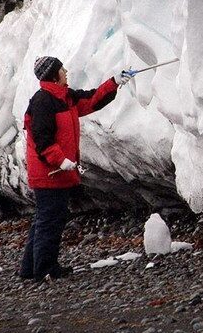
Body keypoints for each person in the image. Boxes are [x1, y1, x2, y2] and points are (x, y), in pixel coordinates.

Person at [19, 56, 132, 281]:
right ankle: (45, 270)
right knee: (50, 220)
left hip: (58, 172)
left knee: (45, 218)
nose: (66, 71)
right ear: (53, 74)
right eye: (62, 69)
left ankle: (30, 269)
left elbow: (91, 100)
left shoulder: (65, 97)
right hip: (49, 173)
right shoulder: (43, 101)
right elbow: (42, 140)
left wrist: (114, 82)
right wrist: (60, 161)